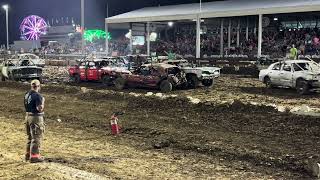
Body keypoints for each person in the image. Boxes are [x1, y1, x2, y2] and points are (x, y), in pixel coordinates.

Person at [24, 79, 45, 163]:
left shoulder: (26, 94)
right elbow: (39, 108)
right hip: (35, 118)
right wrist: (43, 101)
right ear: (39, 86)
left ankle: (28, 155)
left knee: (30, 137)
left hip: (27, 116)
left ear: (31, 86)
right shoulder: (38, 96)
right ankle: (34, 157)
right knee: (36, 138)